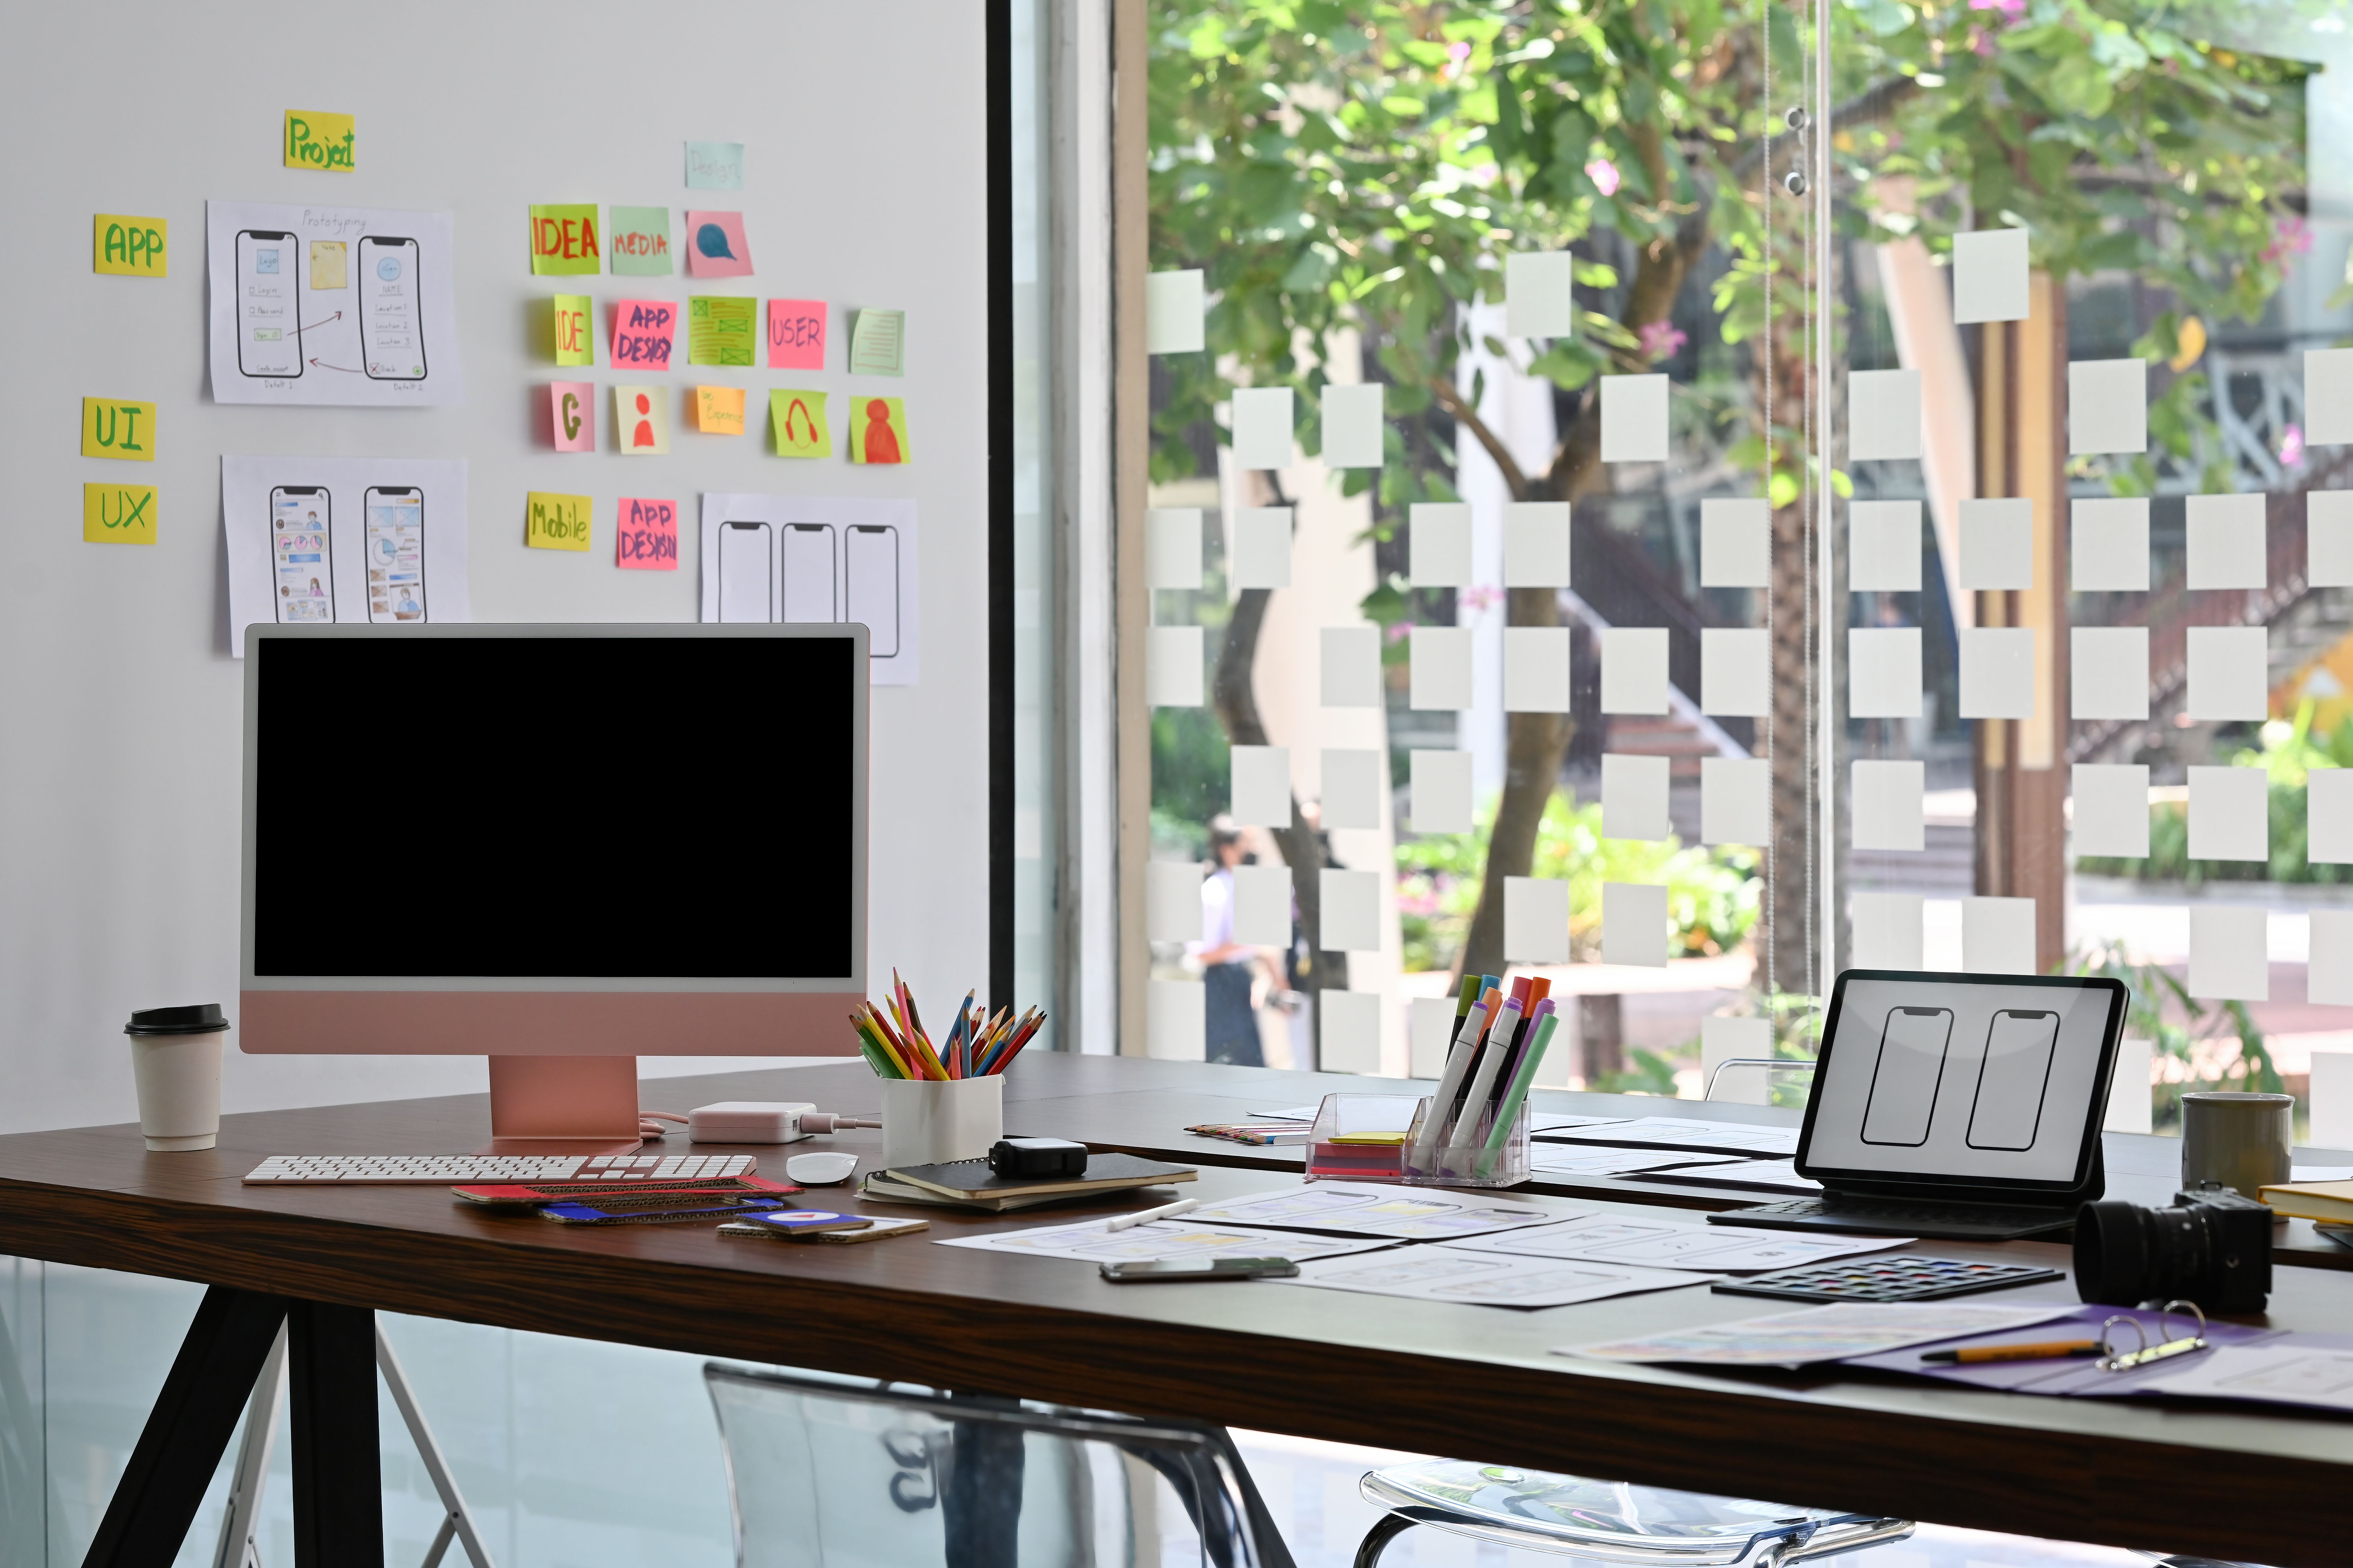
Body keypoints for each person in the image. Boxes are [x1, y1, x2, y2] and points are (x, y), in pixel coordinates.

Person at [1196, 817, 1263, 1066]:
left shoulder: (1243, 887)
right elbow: (1201, 952)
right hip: (1221, 986)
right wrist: (1248, 939)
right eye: (1246, 844)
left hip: (1239, 981)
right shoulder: (1214, 892)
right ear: (1227, 850)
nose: (1253, 850)